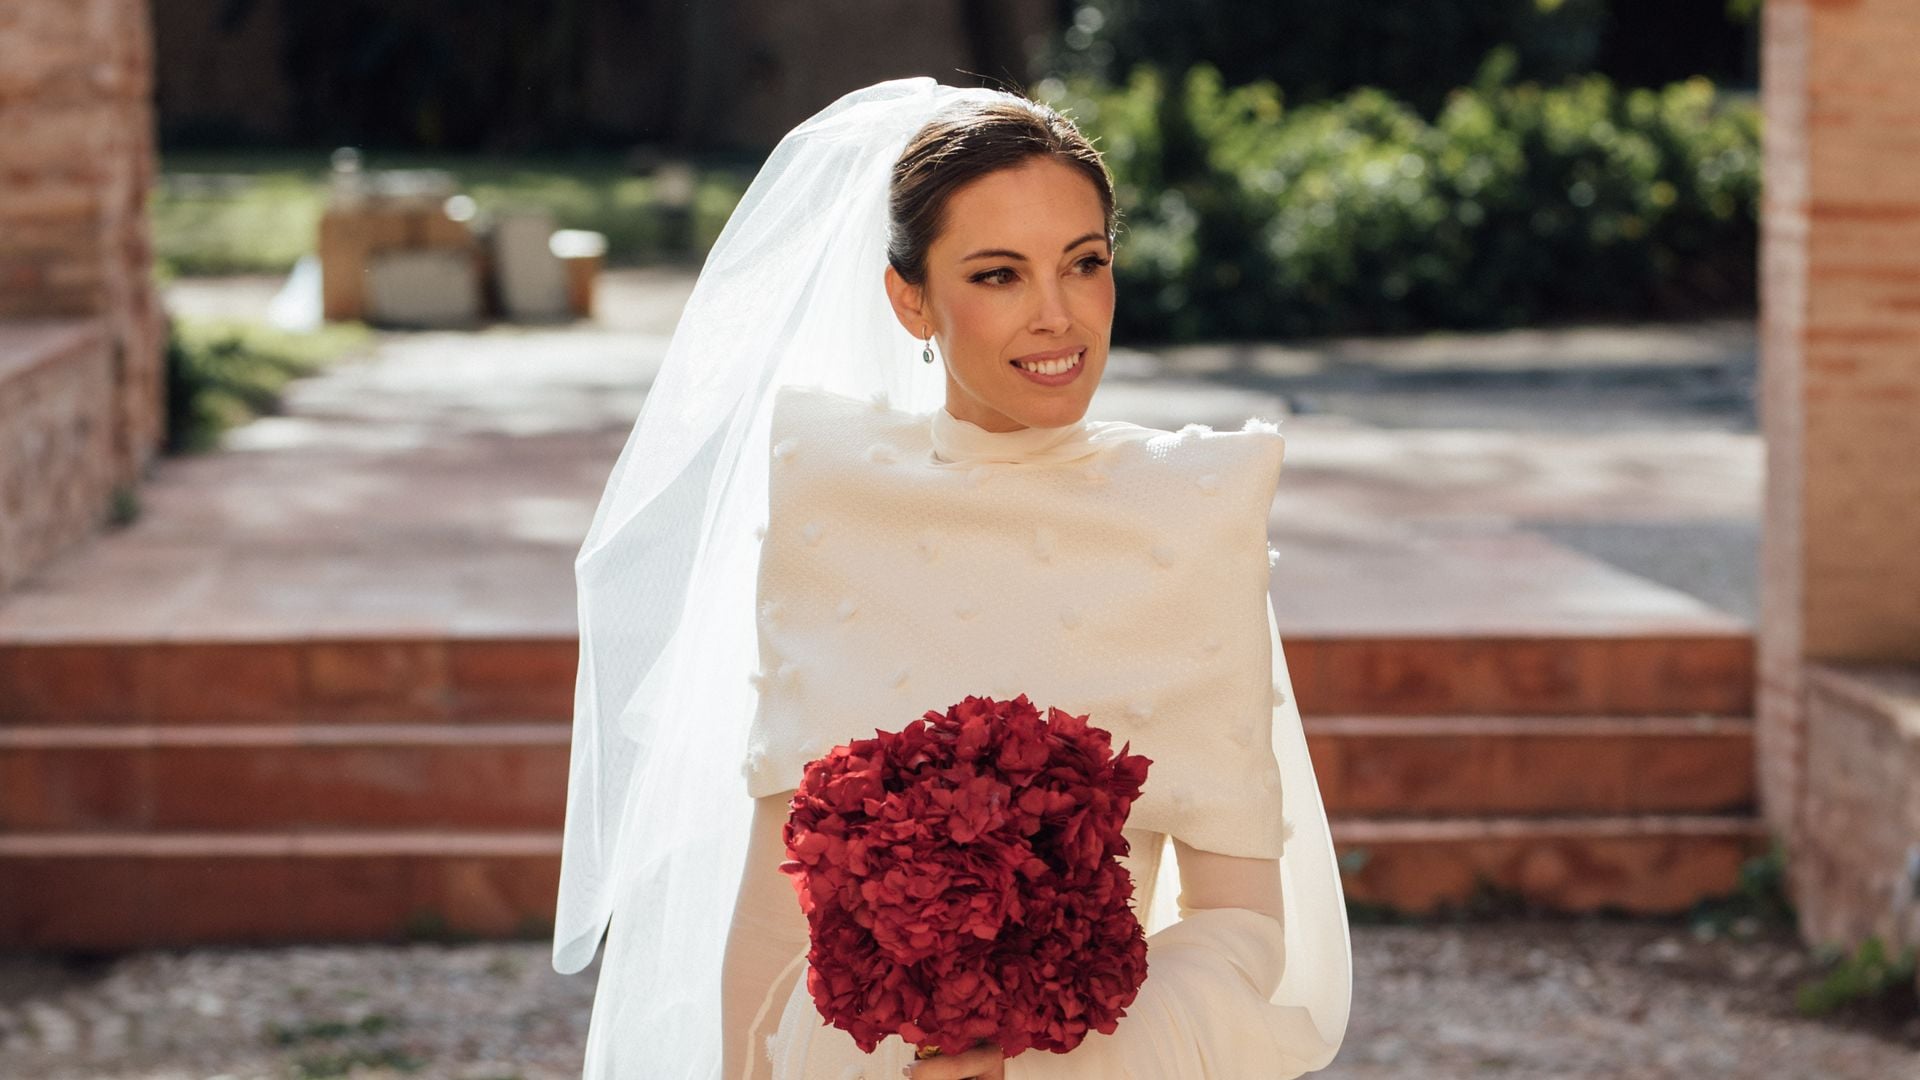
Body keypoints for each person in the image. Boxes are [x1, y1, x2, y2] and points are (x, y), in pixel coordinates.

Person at [554, 77, 1351, 1080]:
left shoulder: (1188, 514)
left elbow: (1242, 930)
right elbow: (772, 913)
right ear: (911, 299)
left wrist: (1019, 1058)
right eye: (998, 275)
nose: (1058, 318)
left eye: (1085, 263)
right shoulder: (832, 501)